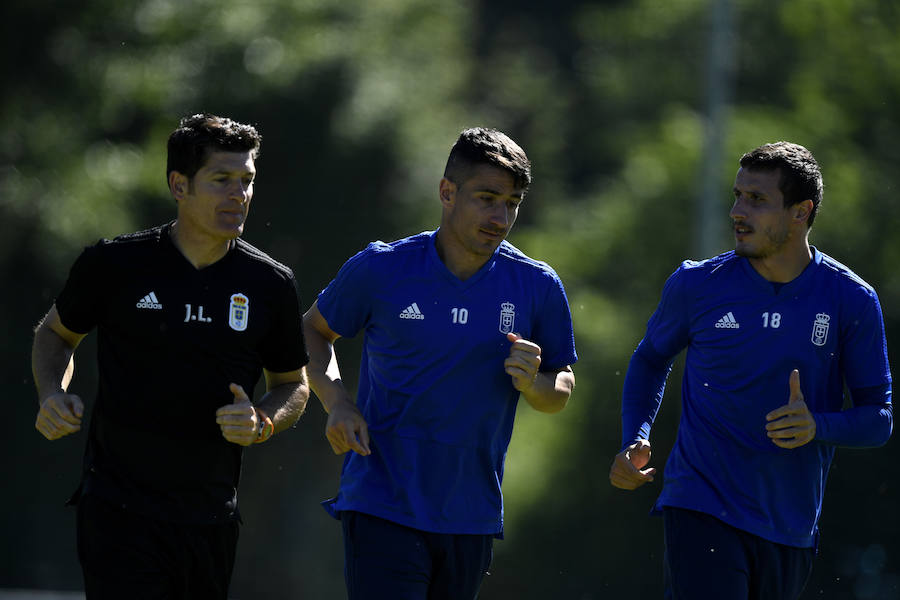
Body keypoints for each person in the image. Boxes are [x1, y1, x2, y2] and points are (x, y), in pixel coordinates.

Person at [31, 113, 310, 599]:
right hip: (118, 510)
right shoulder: (115, 264)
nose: (239, 194)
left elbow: (293, 383)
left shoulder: (270, 284)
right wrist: (52, 393)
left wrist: (262, 421)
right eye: (221, 180)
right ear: (179, 185)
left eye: (247, 181)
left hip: (210, 517)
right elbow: (55, 335)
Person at [609, 141, 892, 599]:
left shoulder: (851, 300)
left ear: (801, 212)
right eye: (738, 195)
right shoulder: (697, 285)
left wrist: (816, 425)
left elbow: (879, 419)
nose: (738, 211)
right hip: (700, 504)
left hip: (789, 525)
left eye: (757, 200)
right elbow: (649, 358)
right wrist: (634, 435)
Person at [303, 127, 577, 599]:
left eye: (512, 203)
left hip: (471, 513)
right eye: (487, 198)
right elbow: (311, 330)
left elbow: (560, 389)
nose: (500, 216)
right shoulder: (382, 268)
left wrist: (535, 385)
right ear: (447, 192)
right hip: (381, 501)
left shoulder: (538, 286)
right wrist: (337, 401)